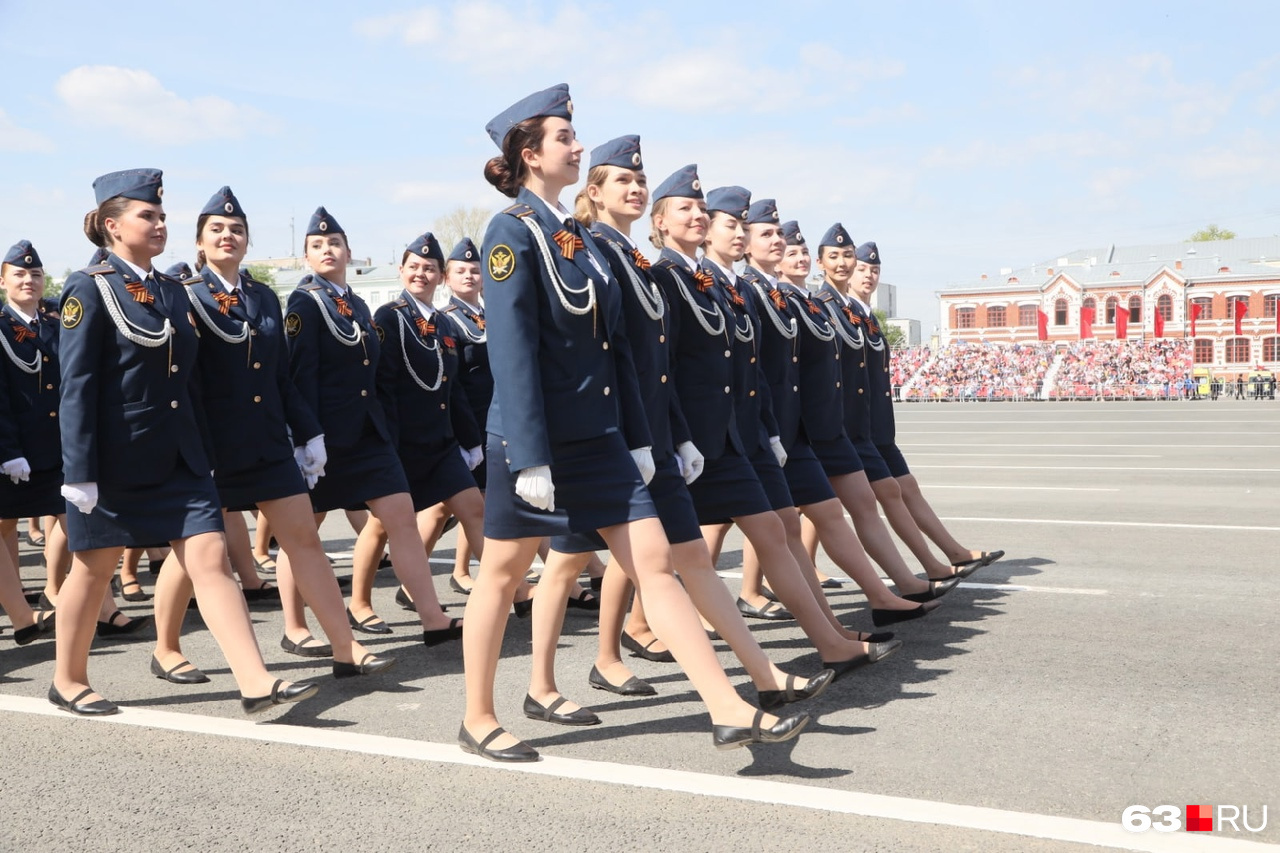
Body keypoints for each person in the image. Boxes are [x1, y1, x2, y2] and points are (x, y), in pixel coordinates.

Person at [462, 86, 810, 762]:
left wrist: (643, 440)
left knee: (655, 562)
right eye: (565, 138)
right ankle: (477, 716)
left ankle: (728, 706)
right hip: (537, 441)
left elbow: (616, 348)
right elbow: (511, 347)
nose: (578, 146)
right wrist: (529, 454)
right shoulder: (512, 232)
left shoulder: (584, 242)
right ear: (531, 154)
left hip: (601, 439)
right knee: (503, 572)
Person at [528, 135, 833, 711]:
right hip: (600, 433)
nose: (637, 188)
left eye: (641, 181)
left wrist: (674, 435)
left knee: (669, 557)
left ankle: (752, 676)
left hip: (647, 432)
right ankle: (550, 680)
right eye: (624, 180)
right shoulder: (592, 249)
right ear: (594, 192)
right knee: (566, 563)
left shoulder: (633, 260)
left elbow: (655, 361)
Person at [55, 168, 318, 715]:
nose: (159, 225)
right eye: (147, 216)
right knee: (93, 568)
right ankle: (68, 679)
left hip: (182, 455)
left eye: (161, 217)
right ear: (111, 224)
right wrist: (79, 470)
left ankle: (255, 681)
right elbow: (77, 384)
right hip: (115, 459)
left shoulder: (169, 290)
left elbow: (186, 382)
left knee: (211, 558)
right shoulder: (90, 287)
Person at [652, 170, 899, 676]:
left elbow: (753, 369)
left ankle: (829, 637)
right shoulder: (668, 279)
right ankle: (622, 639)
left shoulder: (726, 285)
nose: (739, 233)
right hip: (693, 438)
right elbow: (665, 369)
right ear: (660, 222)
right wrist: (674, 437)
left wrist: (765, 429)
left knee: (773, 527)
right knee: (644, 554)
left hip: (740, 435)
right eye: (731, 223)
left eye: (746, 225)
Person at [149, 186, 394, 683]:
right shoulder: (185, 296)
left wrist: (308, 434)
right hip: (211, 447)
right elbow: (183, 381)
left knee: (304, 539)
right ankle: (167, 647)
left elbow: (280, 374)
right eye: (216, 229)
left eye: (236, 229)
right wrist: (192, 444)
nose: (228, 236)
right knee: (197, 552)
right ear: (199, 242)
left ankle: (345, 647)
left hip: (266, 441)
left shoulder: (261, 294)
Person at [735, 205, 955, 620]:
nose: (790, 251)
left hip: (817, 427)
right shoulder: (758, 292)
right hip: (773, 428)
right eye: (776, 240)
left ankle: (887, 595)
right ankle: (645, 619)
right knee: (706, 530)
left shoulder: (801, 301)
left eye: (793, 244)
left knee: (833, 512)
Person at [284, 206, 461, 646]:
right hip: (325, 437)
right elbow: (298, 375)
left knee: (401, 516)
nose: (327, 250)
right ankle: (295, 627)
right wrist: (306, 437)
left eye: (335, 243)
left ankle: (432, 618)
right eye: (317, 246)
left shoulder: (359, 304)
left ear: (349, 252)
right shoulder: (304, 302)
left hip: (368, 434)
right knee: (304, 530)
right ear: (307, 257)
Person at [345, 231, 487, 633]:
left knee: (474, 508)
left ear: (441, 277)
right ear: (401, 270)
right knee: (381, 525)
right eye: (414, 267)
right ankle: (358, 602)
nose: (421, 274)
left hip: (441, 442)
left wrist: (470, 439)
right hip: (403, 442)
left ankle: (507, 592)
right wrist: (386, 444)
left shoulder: (442, 322)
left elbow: (453, 386)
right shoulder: (390, 317)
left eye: (429, 268)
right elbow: (382, 385)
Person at [0, 241, 58, 647]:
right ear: (3, 280)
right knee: (4, 529)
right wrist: (7, 451)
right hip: (14, 449)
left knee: (81, 522)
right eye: (19, 274)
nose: (28, 280)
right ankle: (19, 611)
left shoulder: (53, 326)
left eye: (35, 274)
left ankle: (91, 606)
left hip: (53, 447)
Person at [440, 238, 490, 594]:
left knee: (474, 502)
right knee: (445, 508)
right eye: (460, 270)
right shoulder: (447, 321)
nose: (469, 276)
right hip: (468, 422)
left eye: (475, 270)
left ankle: (460, 571)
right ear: (447, 278)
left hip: (492, 419)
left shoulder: (488, 315)